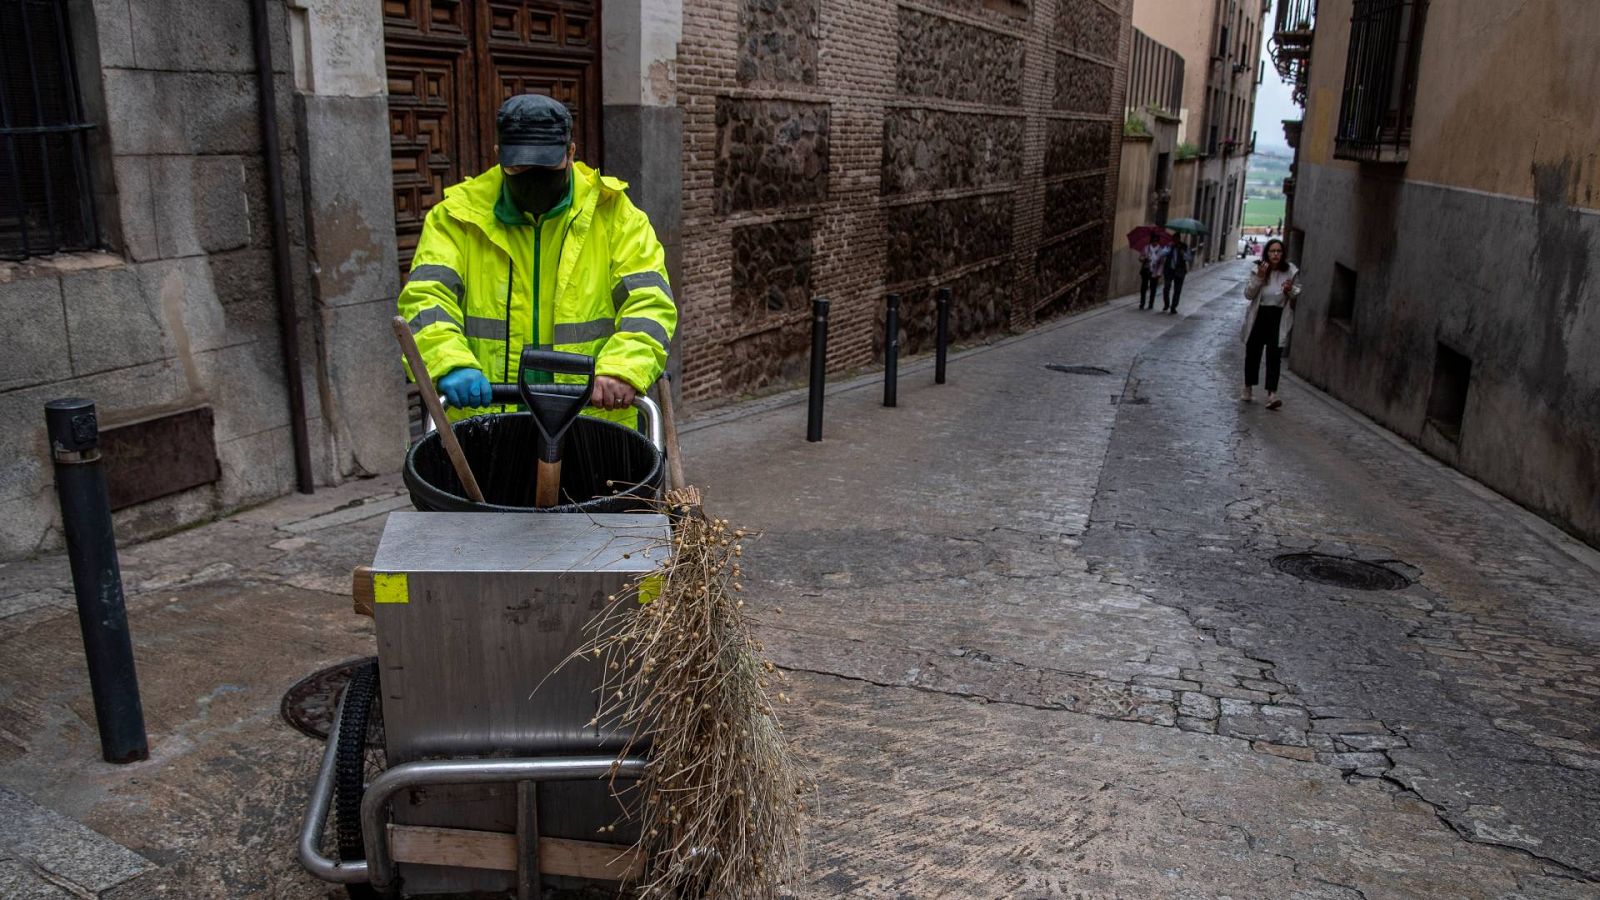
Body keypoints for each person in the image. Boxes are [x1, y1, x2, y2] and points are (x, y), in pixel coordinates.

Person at [397, 94, 676, 427]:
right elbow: (426, 299)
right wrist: (448, 361)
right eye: (518, 167)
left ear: (571, 152)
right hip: (486, 424)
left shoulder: (616, 217)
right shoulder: (455, 219)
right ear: (499, 156)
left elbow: (650, 303)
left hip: (593, 422)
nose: (532, 176)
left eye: (545, 166)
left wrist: (622, 367)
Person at [1241, 238, 1299, 410]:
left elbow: (1297, 292)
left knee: (1274, 355)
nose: (1275, 254)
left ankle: (1272, 394)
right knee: (1253, 352)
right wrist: (1259, 278)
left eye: (1279, 251)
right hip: (1260, 315)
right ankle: (1248, 387)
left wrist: (1290, 290)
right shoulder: (1258, 269)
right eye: (1272, 251)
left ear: (1283, 254)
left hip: (1278, 316)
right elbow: (1248, 294)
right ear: (1267, 253)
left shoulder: (1290, 271)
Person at [1162, 238, 1191, 314]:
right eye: (1174, 241)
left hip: (1180, 271)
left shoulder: (1184, 247)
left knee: (1177, 290)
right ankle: (1166, 304)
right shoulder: (1169, 246)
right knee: (1166, 287)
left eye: (1177, 241)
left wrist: (1183, 253)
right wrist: (1168, 248)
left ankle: (1173, 307)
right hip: (1169, 270)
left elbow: (1189, 258)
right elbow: (1162, 253)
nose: (1175, 242)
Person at [1138, 240, 1166, 310]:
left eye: (1156, 240)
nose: (1154, 242)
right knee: (1143, 287)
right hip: (1146, 270)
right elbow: (1140, 258)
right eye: (1153, 240)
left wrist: (1159, 272)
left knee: (1153, 288)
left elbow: (1162, 263)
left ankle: (1151, 303)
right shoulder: (1146, 248)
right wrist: (1145, 258)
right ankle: (1142, 302)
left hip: (1155, 271)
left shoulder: (1160, 250)